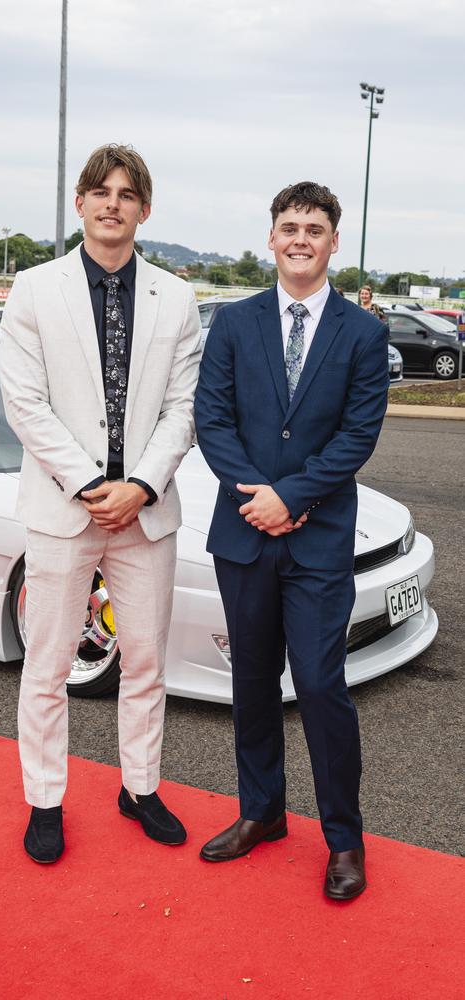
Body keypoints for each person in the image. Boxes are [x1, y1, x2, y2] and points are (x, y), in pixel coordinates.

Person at [0, 144, 201, 864]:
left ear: (145, 210)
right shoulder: (33, 288)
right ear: (79, 203)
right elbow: (24, 403)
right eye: (100, 191)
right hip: (62, 512)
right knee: (47, 665)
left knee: (145, 662)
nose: (112, 203)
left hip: (145, 515)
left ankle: (140, 786)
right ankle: (45, 800)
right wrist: (89, 486)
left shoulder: (176, 298)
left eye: (127, 193)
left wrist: (140, 486)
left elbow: (184, 409)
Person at [194, 182, 389, 900]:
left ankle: (344, 840)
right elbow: (212, 420)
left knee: (318, 685)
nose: (300, 238)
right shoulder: (234, 323)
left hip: (317, 541)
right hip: (244, 536)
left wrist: (293, 497)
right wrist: (259, 500)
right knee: (250, 685)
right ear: (270, 239)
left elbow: (357, 435)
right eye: (289, 227)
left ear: (334, 241)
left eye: (315, 228)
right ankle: (262, 813)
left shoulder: (363, 333)